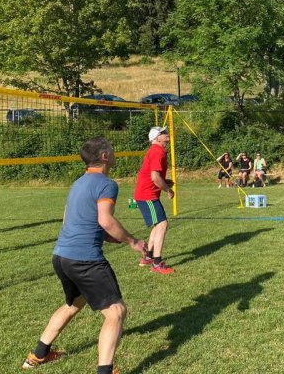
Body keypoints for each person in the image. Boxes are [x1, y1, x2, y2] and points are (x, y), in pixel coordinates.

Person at [21, 136, 146, 373]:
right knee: (116, 312)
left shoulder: (78, 183)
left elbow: (74, 220)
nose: (114, 152)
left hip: (61, 256)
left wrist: (109, 237)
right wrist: (133, 241)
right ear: (104, 156)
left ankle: (38, 355)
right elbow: (105, 220)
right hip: (84, 259)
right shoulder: (107, 184)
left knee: (74, 303)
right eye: (112, 149)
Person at [135, 126, 175, 274]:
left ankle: (148, 257)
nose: (166, 134)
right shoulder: (157, 151)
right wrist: (168, 190)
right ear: (157, 138)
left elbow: (154, 176)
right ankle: (157, 264)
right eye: (163, 133)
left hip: (146, 194)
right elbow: (154, 177)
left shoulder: (156, 150)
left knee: (158, 225)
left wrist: (165, 182)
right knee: (163, 225)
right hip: (147, 195)